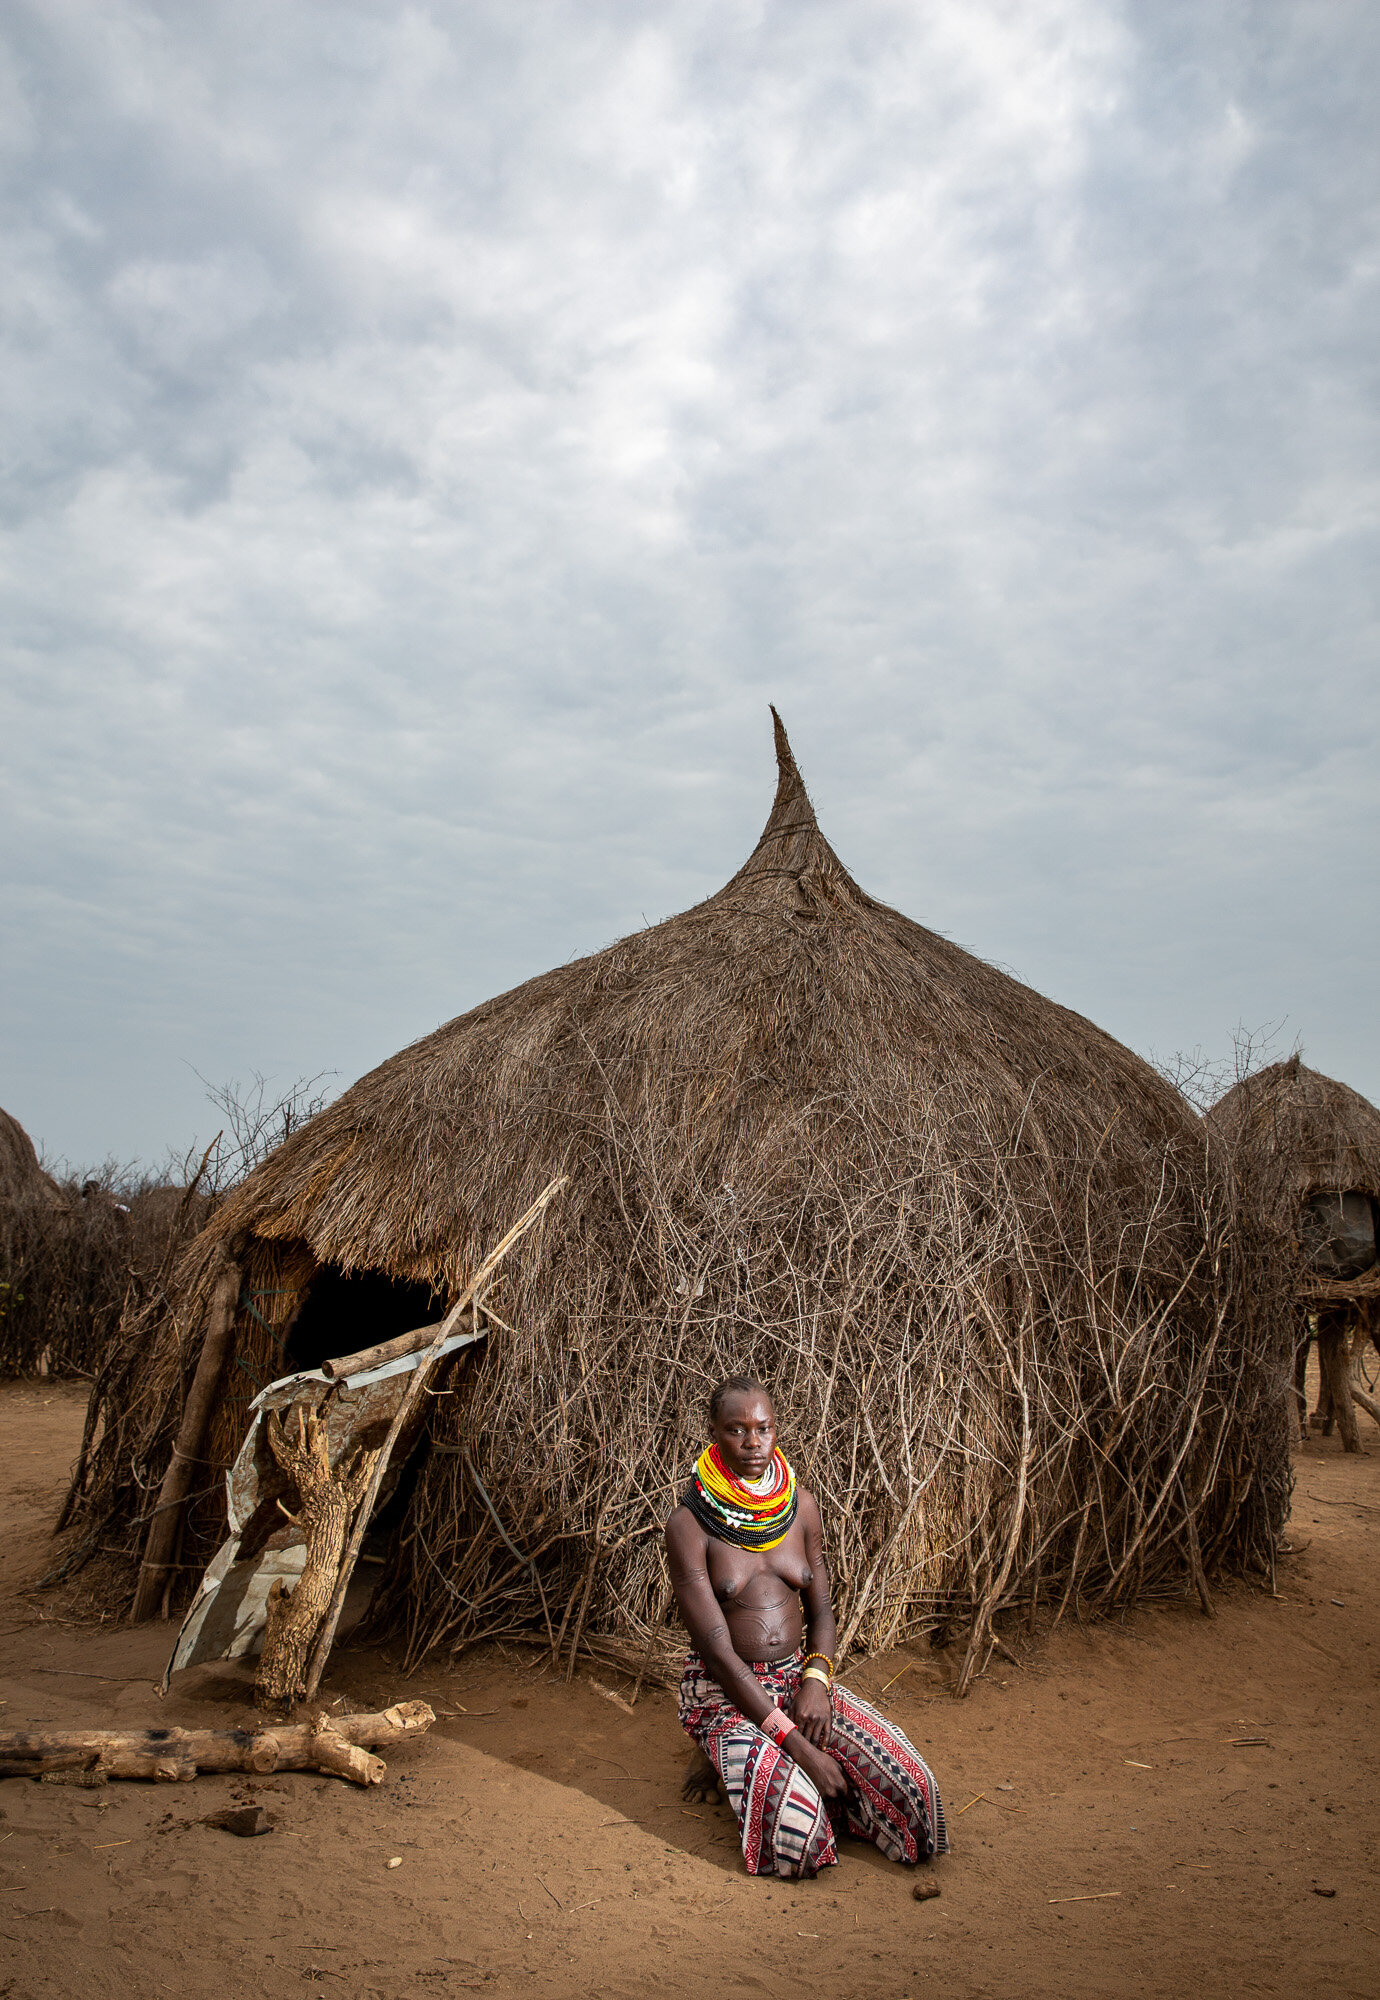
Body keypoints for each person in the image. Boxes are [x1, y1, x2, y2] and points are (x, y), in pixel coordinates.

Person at [665, 1374, 948, 1881]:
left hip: (798, 1679)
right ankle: (723, 1751)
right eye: (736, 1430)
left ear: (776, 1430)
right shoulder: (688, 1526)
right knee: (799, 1833)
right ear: (712, 1432)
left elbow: (823, 1613)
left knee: (916, 1795)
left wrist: (816, 1683)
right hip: (724, 1691)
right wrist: (795, 1743)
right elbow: (718, 1653)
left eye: (764, 1428)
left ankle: (784, 1773)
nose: (753, 1443)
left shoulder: (802, 1507)